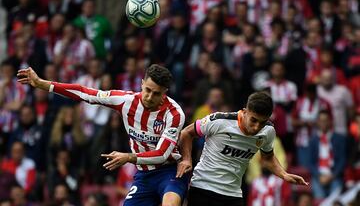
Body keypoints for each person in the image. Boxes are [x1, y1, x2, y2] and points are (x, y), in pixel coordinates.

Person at [17, 65, 187, 206]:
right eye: (147, 90)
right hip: (144, 175)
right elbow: (85, 93)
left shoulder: (174, 114)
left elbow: (162, 154)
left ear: (165, 92)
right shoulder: (125, 101)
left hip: (170, 171)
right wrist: (42, 84)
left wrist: (128, 157)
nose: (149, 97)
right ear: (142, 84)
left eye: (156, 93)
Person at [176, 91, 308, 206]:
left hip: (233, 194)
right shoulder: (219, 121)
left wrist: (284, 174)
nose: (257, 127)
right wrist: (187, 159)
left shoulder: (268, 131)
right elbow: (186, 133)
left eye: (262, 123)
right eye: (254, 120)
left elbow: (267, 158)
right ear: (245, 112)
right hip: (203, 188)